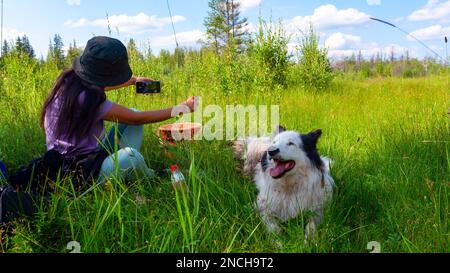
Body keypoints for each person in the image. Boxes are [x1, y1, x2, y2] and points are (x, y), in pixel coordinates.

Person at [41, 36, 197, 185]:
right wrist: (183, 107)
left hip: (87, 158)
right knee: (131, 155)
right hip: (80, 173)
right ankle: (150, 176)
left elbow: (100, 85)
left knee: (132, 116)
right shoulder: (87, 99)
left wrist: (134, 81)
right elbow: (138, 118)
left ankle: (127, 172)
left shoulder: (69, 82)